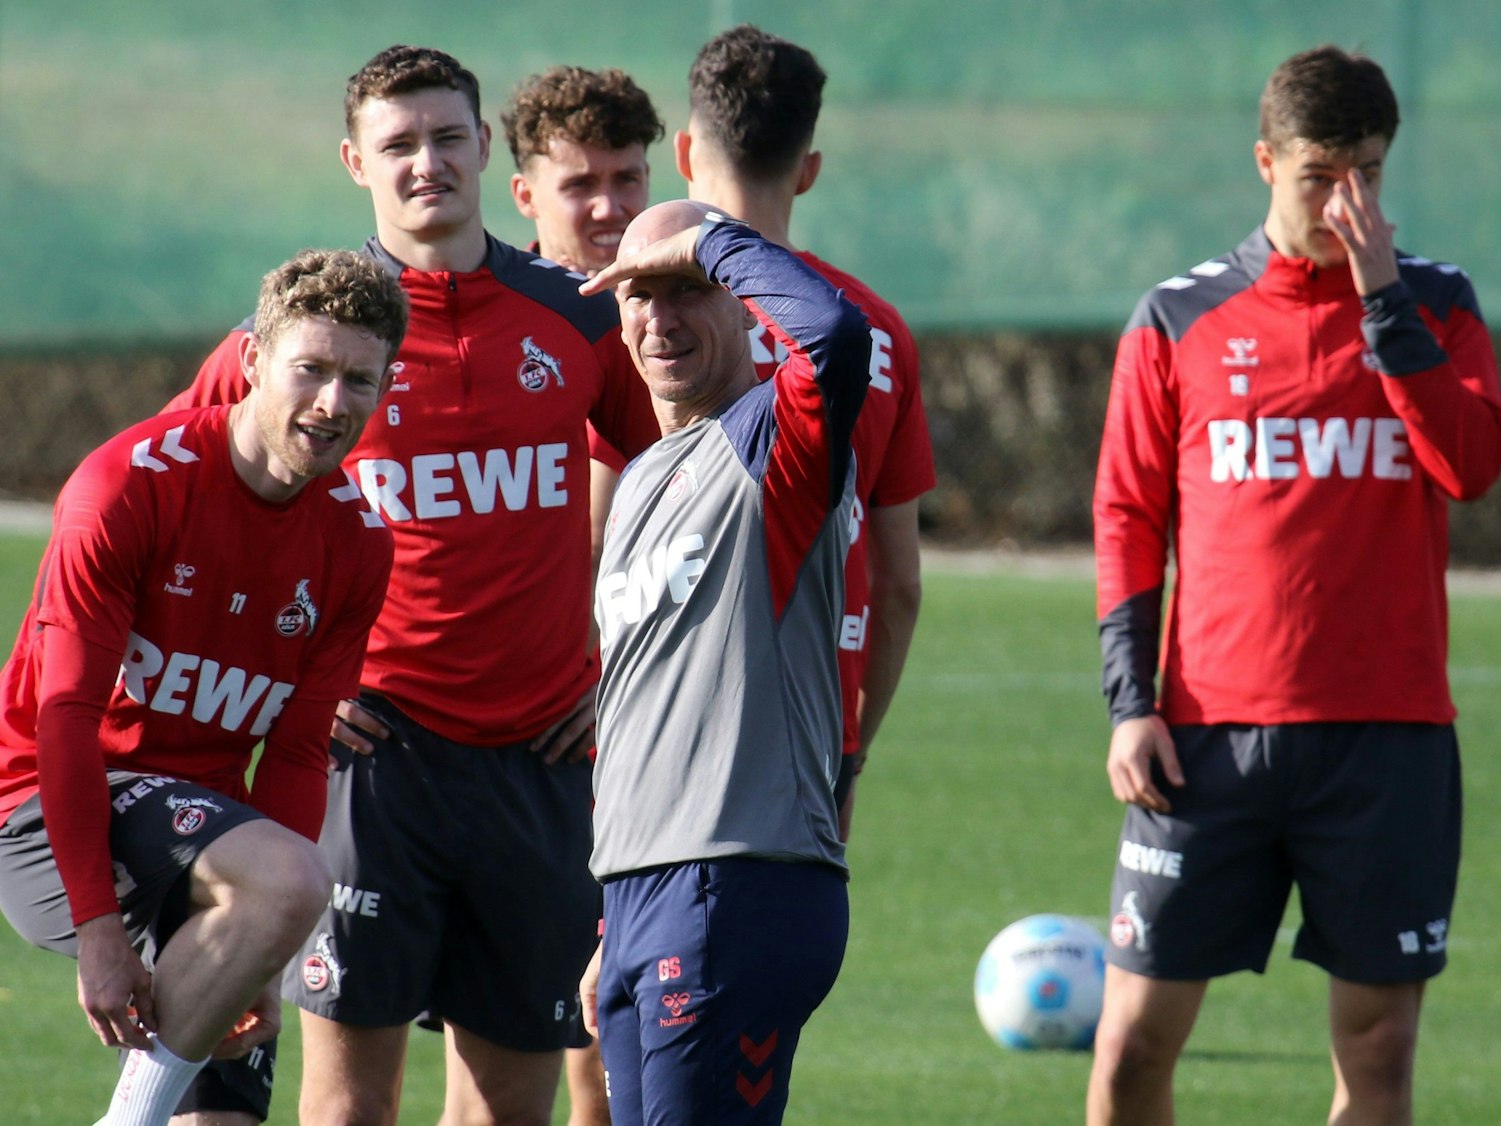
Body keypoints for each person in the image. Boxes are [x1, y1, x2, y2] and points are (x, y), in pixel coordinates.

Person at [165, 45, 661, 1126]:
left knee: (511, 1112)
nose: (425, 162)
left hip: (541, 765)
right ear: (356, 162)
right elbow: (162, 492)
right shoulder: (303, 336)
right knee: (348, 1109)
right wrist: (277, 679)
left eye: (445, 138)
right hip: (370, 763)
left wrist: (621, 669)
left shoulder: (576, 315)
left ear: (484, 148)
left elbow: (689, 489)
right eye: (397, 144)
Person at [1089, 45, 1501, 1126]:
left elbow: (1468, 465)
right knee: (1131, 1045)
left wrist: (1381, 306)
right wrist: (1131, 703)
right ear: (1265, 162)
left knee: (1376, 1050)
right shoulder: (1178, 318)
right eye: (1320, 175)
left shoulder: (1437, 307)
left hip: (1387, 739)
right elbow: (1128, 517)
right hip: (1207, 736)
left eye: (1366, 173)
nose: (1344, 202)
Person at [0, 248, 403, 1126]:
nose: (333, 403)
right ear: (252, 360)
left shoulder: (359, 542)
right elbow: (65, 718)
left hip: (220, 856)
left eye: (360, 381)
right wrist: (99, 929)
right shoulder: (125, 488)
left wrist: (265, 948)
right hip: (47, 808)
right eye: (311, 369)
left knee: (221, 1116)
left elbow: (297, 752)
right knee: (295, 878)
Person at [576, 199, 869, 1124]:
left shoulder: (768, 442)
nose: (660, 319)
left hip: (735, 883)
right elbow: (641, 715)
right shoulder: (638, 481)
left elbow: (832, 333)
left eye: (688, 290)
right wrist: (610, 919)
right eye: (639, 295)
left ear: (742, 302)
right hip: (642, 896)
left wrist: (714, 239)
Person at [678, 25, 934, 840]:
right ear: (810, 169)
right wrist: (850, 749)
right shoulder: (875, 332)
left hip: (660, 714)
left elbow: (594, 534)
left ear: (685, 153)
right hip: (811, 721)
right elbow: (897, 587)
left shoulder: (647, 316)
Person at [499, 62, 664, 1126]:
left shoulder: (671, 321)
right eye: (579, 183)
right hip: (491, 743)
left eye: (627, 176)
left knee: (627, 1020)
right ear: (523, 194)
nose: (607, 206)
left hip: (629, 727)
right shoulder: (499, 323)